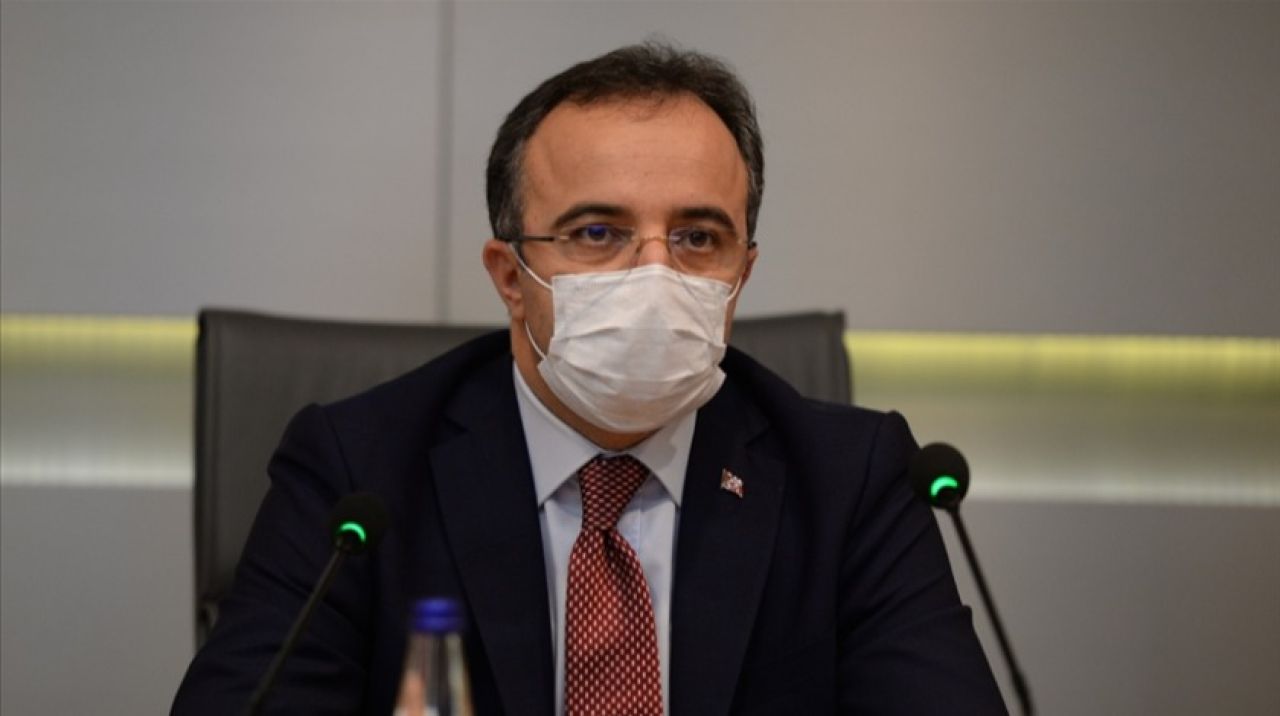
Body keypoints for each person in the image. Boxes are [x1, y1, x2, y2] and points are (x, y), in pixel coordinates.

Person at [173, 43, 1005, 715]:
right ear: (510, 276)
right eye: (598, 232)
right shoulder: (357, 474)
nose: (654, 274)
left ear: (741, 275)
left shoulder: (852, 480)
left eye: (698, 238)